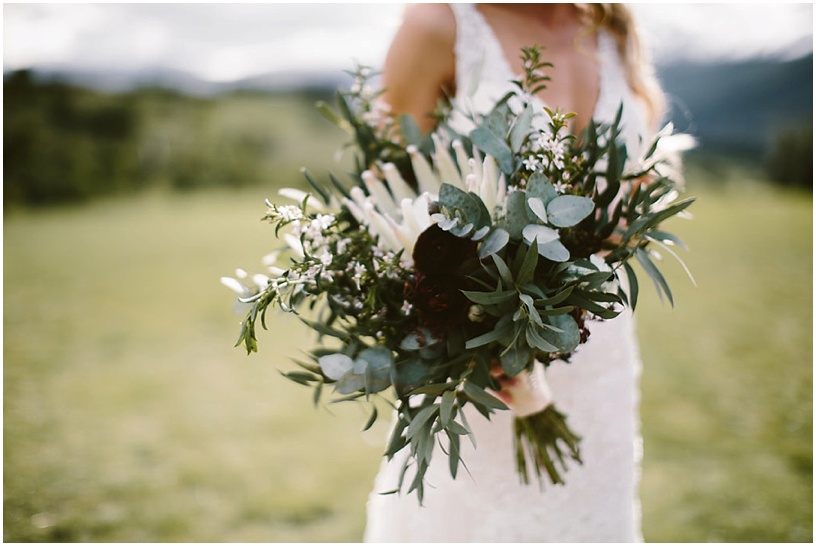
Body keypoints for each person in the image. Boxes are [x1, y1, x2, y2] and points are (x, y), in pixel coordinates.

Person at [363, 3, 666, 542]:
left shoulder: (609, 28)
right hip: (477, 362)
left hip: (603, 348)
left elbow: (636, 193)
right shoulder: (439, 25)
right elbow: (393, 203)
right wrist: (481, 322)